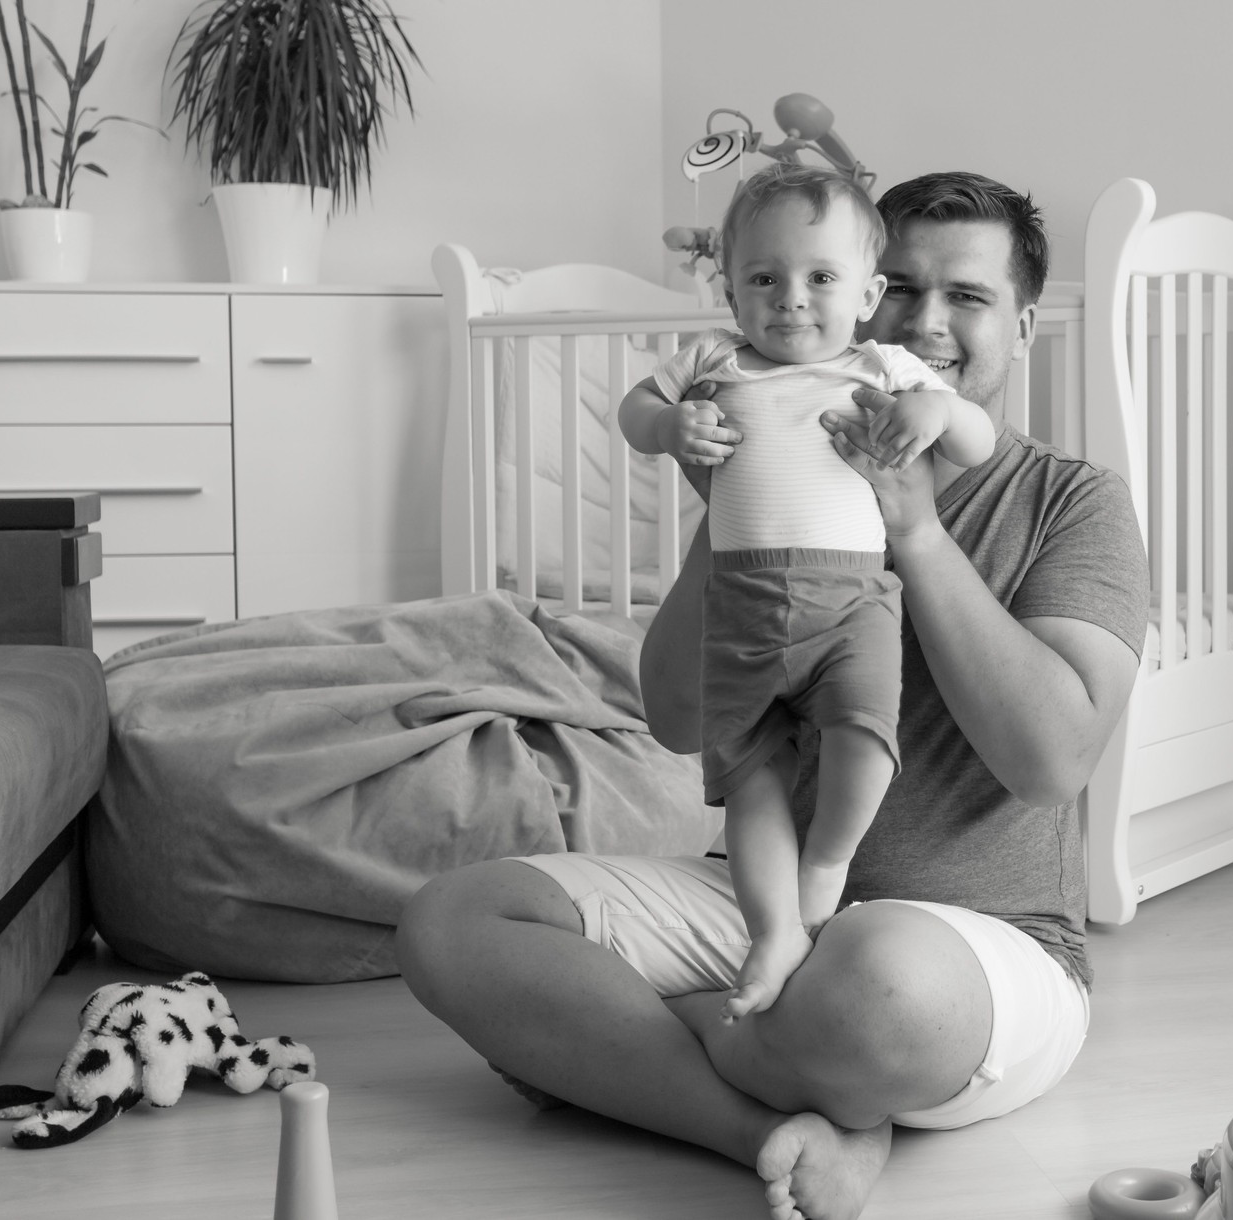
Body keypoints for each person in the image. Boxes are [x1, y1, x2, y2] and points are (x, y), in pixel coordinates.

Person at [398, 171, 1150, 1220]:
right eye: (905, 291)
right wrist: (725, 515)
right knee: (454, 918)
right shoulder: (776, 452)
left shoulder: (1072, 498)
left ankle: (637, 1048)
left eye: (967, 298)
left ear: (1022, 325)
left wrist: (917, 529)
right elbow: (675, 714)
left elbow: (1050, 759)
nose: (926, 323)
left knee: (875, 982)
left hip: (973, 945)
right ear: (862, 293)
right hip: (764, 903)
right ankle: (787, 1126)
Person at [615, 164, 995, 1020]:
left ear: (867, 293)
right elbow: (636, 413)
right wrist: (669, 425)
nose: (791, 299)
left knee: (864, 741)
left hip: (852, 604)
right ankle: (774, 926)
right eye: (765, 278)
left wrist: (934, 414)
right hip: (742, 603)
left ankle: (826, 865)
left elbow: (973, 440)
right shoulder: (712, 358)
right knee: (749, 778)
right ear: (730, 288)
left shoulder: (884, 363)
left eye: (820, 278)